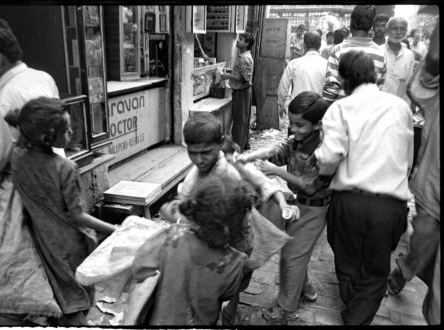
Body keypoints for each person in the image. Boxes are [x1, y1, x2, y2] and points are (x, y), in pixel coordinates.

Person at [0, 17, 65, 323]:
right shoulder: (41, 76)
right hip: (49, 179)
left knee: (11, 261)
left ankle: (24, 315)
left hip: (23, 190)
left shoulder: (6, 96)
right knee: (44, 258)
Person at [161, 115, 291, 325]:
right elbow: (185, 202)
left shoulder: (233, 169)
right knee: (209, 285)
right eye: (192, 153)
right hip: (209, 240)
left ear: (219, 143)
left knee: (232, 282)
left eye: (205, 152)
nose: (199, 159)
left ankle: (229, 310)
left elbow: (264, 184)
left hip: (237, 241)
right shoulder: (194, 175)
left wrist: (282, 204)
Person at [314, 50, 413, 325]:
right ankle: (357, 313)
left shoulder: (341, 108)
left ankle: (353, 316)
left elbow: (329, 158)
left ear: (344, 78)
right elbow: (408, 160)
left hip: (350, 203)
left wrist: (319, 164)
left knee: (347, 266)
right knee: (375, 273)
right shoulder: (400, 107)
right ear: (375, 74)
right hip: (390, 205)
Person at [10, 97, 117, 325]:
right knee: (80, 291)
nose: (71, 132)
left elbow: (13, 123)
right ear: (46, 136)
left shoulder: (17, 158)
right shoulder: (65, 167)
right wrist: (115, 229)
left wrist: (25, 125)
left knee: (60, 290)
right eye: (65, 129)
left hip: (41, 239)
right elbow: (78, 215)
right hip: (69, 242)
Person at [237, 92, 332, 324]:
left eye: (300, 124)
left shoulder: (324, 148)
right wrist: (249, 157)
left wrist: (278, 172)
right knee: (295, 252)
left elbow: (309, 185)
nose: (294, 128)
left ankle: (287, 310)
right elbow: (279, 151)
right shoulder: (299, 138)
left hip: (316, 208)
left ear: (317, 123)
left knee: (292, 257)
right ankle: (307, 290)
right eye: (291, 123)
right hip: (300, 203)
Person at [132, 177, 252, 325]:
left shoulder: (172, 237)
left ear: (194, 213)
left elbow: (140, 269)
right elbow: (227, 294)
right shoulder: (236, 262)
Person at [387, 18, 440, 325]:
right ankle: (407, 269)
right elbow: (424, 77)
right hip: (432, 189)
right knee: (422, 238)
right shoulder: (432, 81)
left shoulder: (410, 54)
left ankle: (407, 271)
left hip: (405, 119)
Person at [322, 5, 386, 104]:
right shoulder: (381, 54)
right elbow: (380, 88)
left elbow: (331, 87)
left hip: (342, 113)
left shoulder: (338, 50)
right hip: (369, 114)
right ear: (371, 26)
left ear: (351, 24)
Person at [277, 30, 327, 135]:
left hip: (297, 112)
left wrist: (282, 106)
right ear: (320, 45)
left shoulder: (294, 64)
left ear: (304, 45)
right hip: (319, 113)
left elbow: (283, 88)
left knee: (294, 144)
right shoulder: (327, 65)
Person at [221, 33, 255, 151]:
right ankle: (244, 143)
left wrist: (227, 75)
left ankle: (238, 147)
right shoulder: (244, 56)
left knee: (240, 120)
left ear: (246, 43)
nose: (238, 41)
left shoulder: (244, 58)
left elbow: (244, 78)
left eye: (241, 39)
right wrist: (232, 72)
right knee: (243, 118)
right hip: (243, 91)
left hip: (242, 91)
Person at [380, 17, 416, 106]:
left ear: (406, 31)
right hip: (380, 106)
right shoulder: (379, 51)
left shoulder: (409, 55)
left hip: (400, 106)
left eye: (402, 29)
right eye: (395, 28)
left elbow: (409, 83)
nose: (399, 32)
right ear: (387, 30)